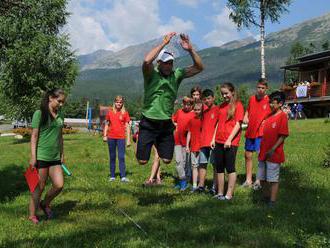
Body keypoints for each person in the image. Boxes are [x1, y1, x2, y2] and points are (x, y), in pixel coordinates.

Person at [136, 32, 203, 165]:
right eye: (165, 63)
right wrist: (164, 43)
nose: (168, 66)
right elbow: (146, 61)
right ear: (159, 63)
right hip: (148, 121)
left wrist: (190, 50)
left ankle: (156, 141)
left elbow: (199, 67)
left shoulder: (176, 75)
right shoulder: (150, 74)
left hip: (166, 123)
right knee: (142, 161)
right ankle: (144, 142)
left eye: (170, 63)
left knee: (167, 160)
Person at [28, 88, 66, 224]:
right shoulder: (40, 113)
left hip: (55, 157)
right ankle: (32, 215)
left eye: (63, 102)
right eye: (59, 101)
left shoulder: (60, 114)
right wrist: (33, 156)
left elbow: (60, 137)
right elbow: (34, 136)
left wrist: (62, 154)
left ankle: (44, 204)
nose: (61, 104)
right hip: (41, 156)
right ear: (50, 98)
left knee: (59, 185)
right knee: (40, 186)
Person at [211, 83, 244, 200]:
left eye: (226, 93)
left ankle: (229, 194)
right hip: (219, 141)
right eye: (222, 93)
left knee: (230, 168)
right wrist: (213, 138)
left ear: (232, 92)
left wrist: (229, 139)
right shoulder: (220, 107)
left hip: (230, 142)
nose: (224, 96)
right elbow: (217, 124)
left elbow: (238, 124)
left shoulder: (238, 105)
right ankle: (220, 193)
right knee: (219, 168)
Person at [257, 91, 289, 207]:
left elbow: (283, 135)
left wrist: (273, 149)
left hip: (274, 154)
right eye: (270, 103)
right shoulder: (269, 116)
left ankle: (272, 201)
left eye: (273, 103)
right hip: (263, 152)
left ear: (280, 104)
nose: (270, 105)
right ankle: (266, 197)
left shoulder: (282, 116)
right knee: (262, 178)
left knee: (273, 179)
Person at [242, 78, 271, 190]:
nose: (260, 90)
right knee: (247, 155)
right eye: (259, 87)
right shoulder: (252, 99)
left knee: (260, 157)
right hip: (250, 131)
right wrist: (245, 116)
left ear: (266, 89)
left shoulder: (269, 100)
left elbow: (273, 113)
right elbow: (248, 110)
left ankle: (258, 180)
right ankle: (248, 180)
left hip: (261, 132)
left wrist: (266, 121)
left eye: (263, 88)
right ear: (256, 87)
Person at [103, 96, 131, 182]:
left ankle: (123, 176)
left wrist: (128, 139)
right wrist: (105, 135)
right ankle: (112, 176)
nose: (119, 103)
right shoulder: (110, 112)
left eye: (120, 102)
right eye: (117, 102)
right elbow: (107, 124)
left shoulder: (125, 113)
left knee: (121, 157)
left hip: (121, 138)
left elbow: (127, 126)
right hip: (111, 137)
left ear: (122, 103)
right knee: (112, 157)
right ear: (114, 103)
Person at [197, 89, 218, 193]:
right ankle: (201, 186)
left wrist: (214, 139)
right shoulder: (204, 112)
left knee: (214, 164)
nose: (207, 101)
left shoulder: (217, 110)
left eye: (209, 98)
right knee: (202, 164)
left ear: (213, 98)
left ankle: (214, 187)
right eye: (205, 99)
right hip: (203, 142)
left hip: (213, 143)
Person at [172, 96, 194, 190]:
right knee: (178, 161)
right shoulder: (179, 112)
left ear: (191, 105)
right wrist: (175, 126)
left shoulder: (193, 114)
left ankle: (186, 181)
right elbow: (173, 120)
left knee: (186, 163)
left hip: (187, 142)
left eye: (188, 104)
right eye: (184, 104)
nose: (186, 106)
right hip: (177, 140)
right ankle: (182, 179)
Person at [186, 100, 203, 192]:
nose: (197, 111)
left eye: (199, 110)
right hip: (193, 146)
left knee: (202, 166)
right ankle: (194, 185)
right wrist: (187, 146)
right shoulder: (191, 120)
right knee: (194, 166)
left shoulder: (204, 120)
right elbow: (189, 133)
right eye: (195, 110)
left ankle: (201, 184)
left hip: (202, 146)